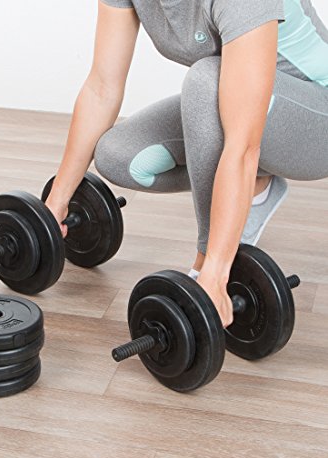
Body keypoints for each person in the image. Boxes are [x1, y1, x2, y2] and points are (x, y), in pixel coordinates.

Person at [44, 0, 328, 327]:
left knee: (206, 80)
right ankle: (257, 188)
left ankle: (206, 259)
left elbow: (242, 146)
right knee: (117, 156)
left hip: (316, 119)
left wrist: (213, 272)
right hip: (241, 100)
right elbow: (101, 88)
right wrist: (56, 202)